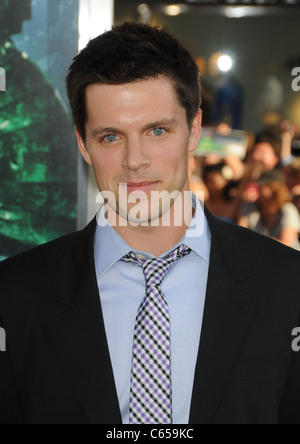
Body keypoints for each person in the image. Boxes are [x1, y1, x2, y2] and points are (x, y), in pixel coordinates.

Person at [1, 22, 300, 425]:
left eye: (157, 130)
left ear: (194, 129)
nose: (135, 159)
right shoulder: (15, 295)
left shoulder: (287, 285)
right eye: (110, 137)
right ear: (82, 143)